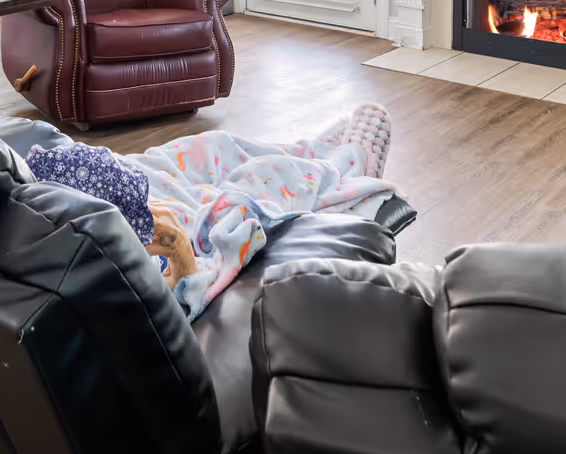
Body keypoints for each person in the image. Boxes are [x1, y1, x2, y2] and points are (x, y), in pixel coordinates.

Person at [26, 104, 396, 319]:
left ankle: (310, 149)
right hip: (151, 204)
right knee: (256, 180)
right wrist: (175, 247)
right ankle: (345, 159)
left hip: (132, 180)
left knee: (215, 145)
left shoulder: (15, 205)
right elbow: (176, 264)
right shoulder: (102, 269)